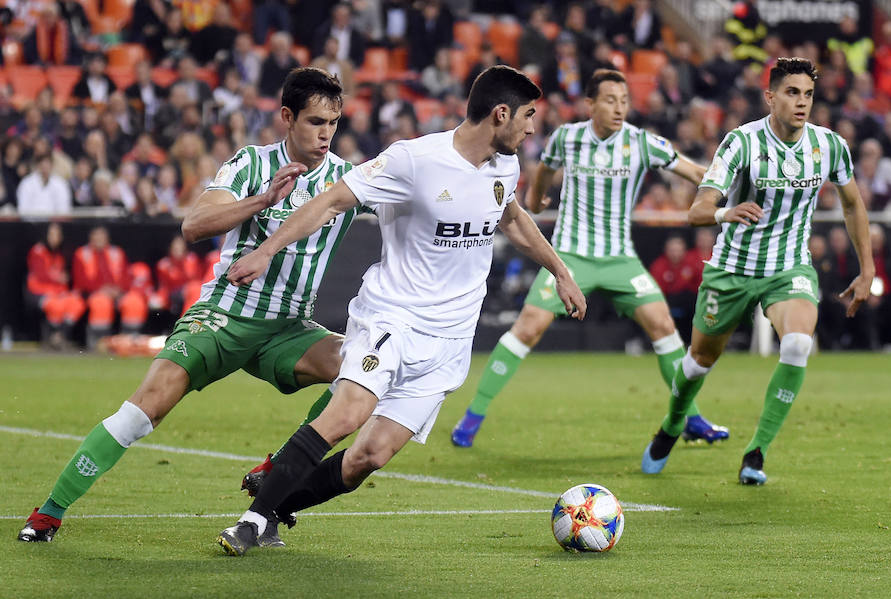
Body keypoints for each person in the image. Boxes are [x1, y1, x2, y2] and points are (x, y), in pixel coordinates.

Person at [216, 65, 587, 556]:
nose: (532, 127)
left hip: (451, 340)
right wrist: (266, 251)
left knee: (369, 455)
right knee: (350, 411)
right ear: (500, 114)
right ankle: (252, 520)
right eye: (528, 116)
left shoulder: (506, 166)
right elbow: (331, 202)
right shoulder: (414, 160)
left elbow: (512, 217)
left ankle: (277, 505)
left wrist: (559, 270)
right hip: (393, 317)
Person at [17, 68, 358, 544]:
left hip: (289, 327)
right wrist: (263, 200)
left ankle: (276, 468)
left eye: (333, 123)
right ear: (286, 117)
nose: (326, 134)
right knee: (143, 410)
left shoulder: (348, 179)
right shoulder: (250, 164)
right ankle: (50, 512)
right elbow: (194, 225)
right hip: (226, 313)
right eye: (315, 122)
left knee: (361, 368)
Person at [450, 69, 728, 449]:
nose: (619, 108)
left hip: (620, 260)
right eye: (611, 100)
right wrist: (535, 201)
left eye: (625, 101)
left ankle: (691, 417)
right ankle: (473, 415)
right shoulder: (568, 137)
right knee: (528, 327)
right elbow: (544, 171)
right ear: (591, 105)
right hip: (571, 257)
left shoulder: (643, 143)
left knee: (663, 326)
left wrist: (727, 187)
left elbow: (695, 171)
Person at [641, 58, 874, 485]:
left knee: (799, 343)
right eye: (791, 93)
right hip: (732, 268)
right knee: (699, 361)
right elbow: (697, 211)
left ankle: (757, 453)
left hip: (788, 268)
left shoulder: (830, 146)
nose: (801, 102)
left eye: (807, 94)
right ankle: (672, 425)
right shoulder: (741, 143)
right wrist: (727, 211)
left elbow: (852, 203)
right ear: (770, 97)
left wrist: (867, 267)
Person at [25, 222, 86, 349]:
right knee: (57, 305)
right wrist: (58, 278)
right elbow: (41, 275)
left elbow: (63, 281)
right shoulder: (38, 251)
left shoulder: (59, 255)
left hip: (56, 292)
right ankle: (52, 338)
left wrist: (64, 289)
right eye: (52, 234)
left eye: (58, 235)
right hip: (37, 292)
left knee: (77, 303)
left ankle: (59, 337)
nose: (55, 238)